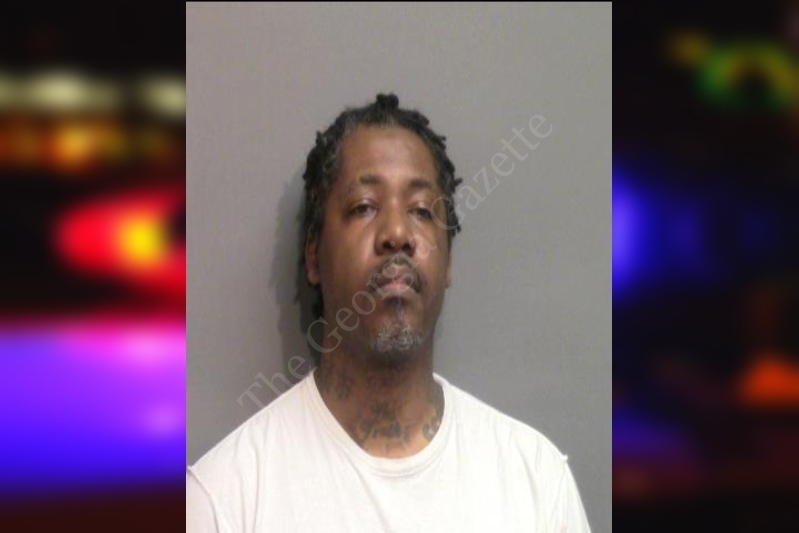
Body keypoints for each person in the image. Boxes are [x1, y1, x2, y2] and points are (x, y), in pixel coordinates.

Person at [186, 93, 592, 532]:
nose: (397, 233)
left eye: (421, 211)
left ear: (448, 261)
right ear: (313, 256)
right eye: (364, 206)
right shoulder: (225, 500)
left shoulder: (536, 482)